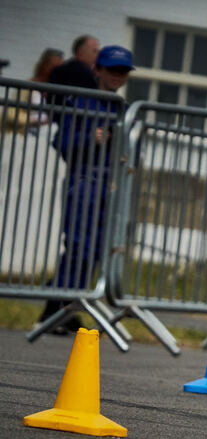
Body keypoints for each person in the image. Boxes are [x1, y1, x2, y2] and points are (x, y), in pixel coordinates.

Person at [37, 45, 133, 332]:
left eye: (123, 71)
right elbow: (62, 144)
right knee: (78, 247)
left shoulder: (126, 111)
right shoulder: (80, 102)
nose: (117, 76)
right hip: (83, 182)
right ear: (98, 70)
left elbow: (134, 155)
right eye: (112, 70)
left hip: (112, 189)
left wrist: (124, 146)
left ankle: (64, 309)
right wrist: (90, 138)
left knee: (95, 252)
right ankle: (56, 310)